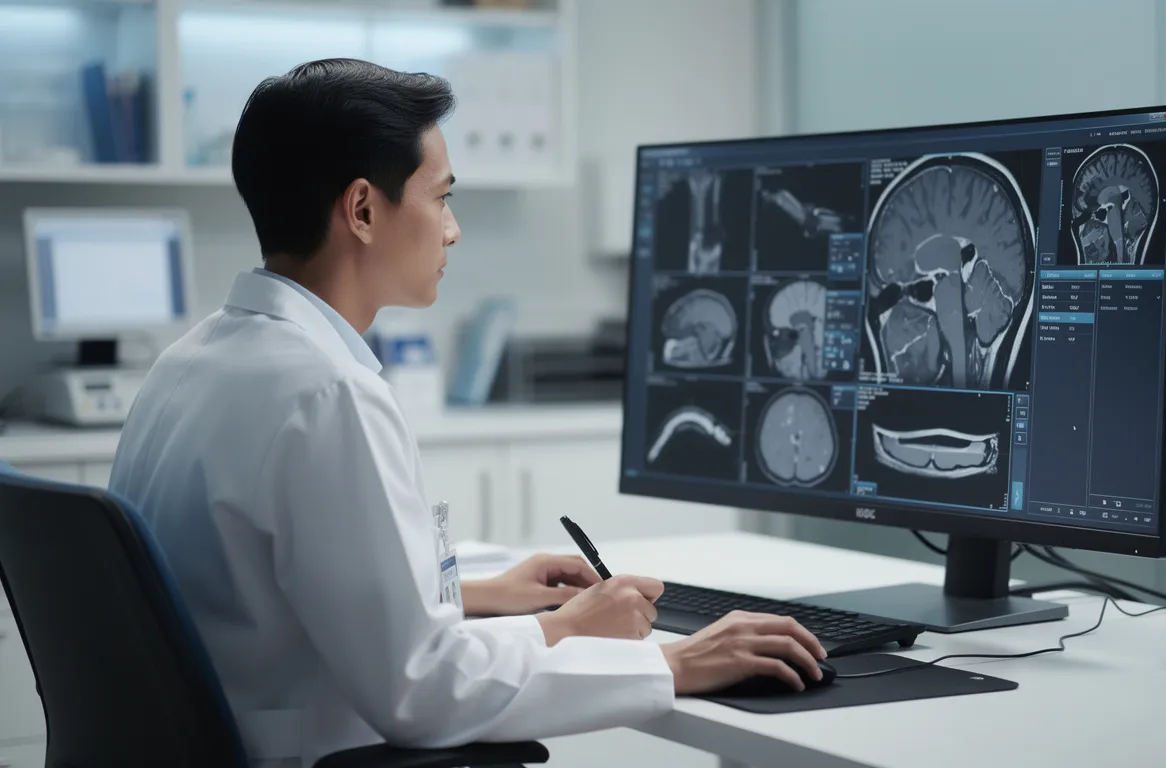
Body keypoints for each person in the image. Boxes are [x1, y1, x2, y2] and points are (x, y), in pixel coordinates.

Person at [108, 58, 825, 768]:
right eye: (441, 198)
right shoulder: (327, 395)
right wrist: (667, 661)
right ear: (362, 210)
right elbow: (424, 692)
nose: (451, 231)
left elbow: (275, 588)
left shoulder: (193, 361)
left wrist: (480, 596)